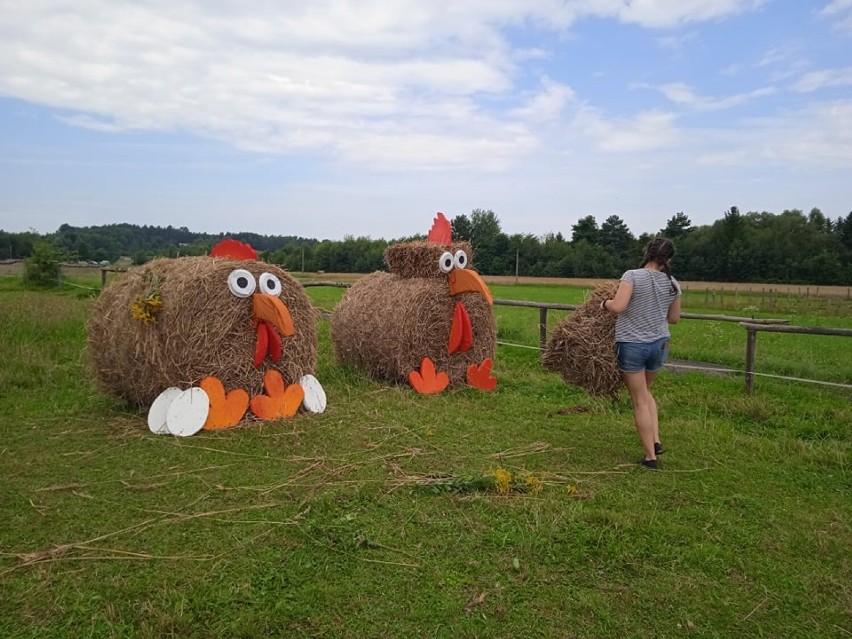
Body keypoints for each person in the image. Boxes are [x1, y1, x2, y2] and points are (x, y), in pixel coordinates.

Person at [600, 237, 681, 470]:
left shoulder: (632, 276)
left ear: (647, 252)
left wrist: (604, 303)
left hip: (633, 345)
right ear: (668, 259)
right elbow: (674, 318)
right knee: (646, 393)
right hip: (660, 344)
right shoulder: (673, 283)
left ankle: (650, 458)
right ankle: (655, 441)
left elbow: (618, 306)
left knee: (639, 401)